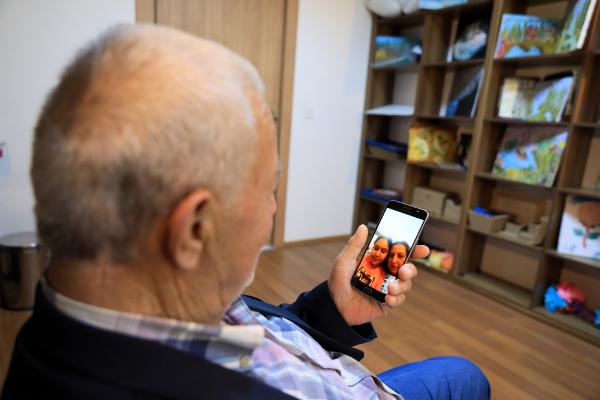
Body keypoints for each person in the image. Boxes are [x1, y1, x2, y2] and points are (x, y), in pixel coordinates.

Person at [2, 25, 490, 399]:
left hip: (325, 366)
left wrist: (337, 310)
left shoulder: (111, 308)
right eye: (269, 189)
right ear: (194, 229)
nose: (274, 208)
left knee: (459, 374)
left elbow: (251, 337)